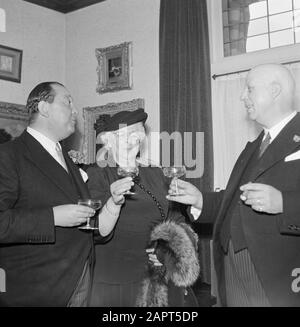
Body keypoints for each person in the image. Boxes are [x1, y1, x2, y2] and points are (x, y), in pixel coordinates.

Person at [167, 63, 300, 306]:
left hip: (280, 274)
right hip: (232, 265)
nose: (242, 96)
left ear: (274, 91)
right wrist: (200, 200)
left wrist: (284, 203)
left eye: (249, 89)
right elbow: (234, 199)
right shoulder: (254, 146)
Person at [0, 82, 101, 306]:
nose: (75, 110)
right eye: (68, 102)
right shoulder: (8, 155)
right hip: (37, 290)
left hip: (80, 278)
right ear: (44, 108)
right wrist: (52, 217)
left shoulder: (65, 157)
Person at [87, 109, 200, 307]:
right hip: (116, 281)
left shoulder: (156, 173)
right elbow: (94, 229)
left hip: (158, 279)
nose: (133, 141)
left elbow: (176, 219)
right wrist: (112, 203)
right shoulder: (97, 174)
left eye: (137, 134)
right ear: (109, 141)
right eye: (125, 135)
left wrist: (168, 252)